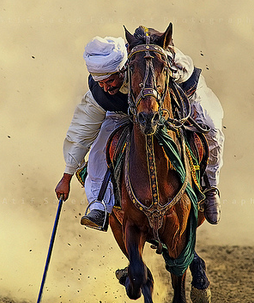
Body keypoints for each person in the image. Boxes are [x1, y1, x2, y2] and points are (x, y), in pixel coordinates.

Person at [55, 27, 224, 230]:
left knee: (212, 128)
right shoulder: (99, 95)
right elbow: (80, 133)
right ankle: (99, 205)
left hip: (184, 92)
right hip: (125, 110)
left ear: (123, 70)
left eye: (110, 81)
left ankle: (211, 189)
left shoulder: (170, 65)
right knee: (99, 148)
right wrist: (66, 177)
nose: (106, 88)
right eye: (100, 82)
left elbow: (182, 74)